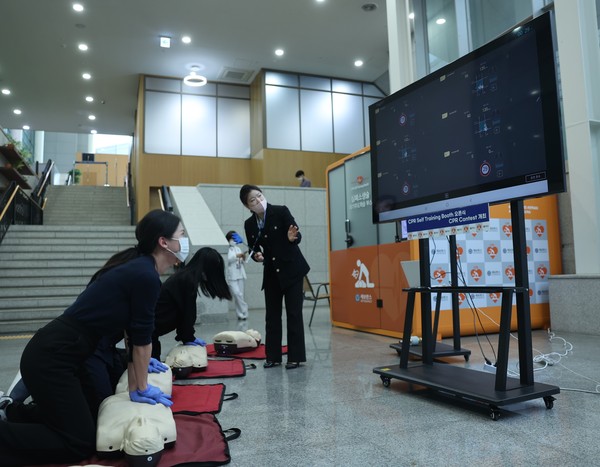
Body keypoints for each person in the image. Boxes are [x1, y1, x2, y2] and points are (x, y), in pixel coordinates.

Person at [0, 209, 184, 466]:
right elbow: (142, 338)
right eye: (181, 235)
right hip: (53, 357)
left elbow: (133, 335)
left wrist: (136, 384)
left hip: (61, 352)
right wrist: (140, 388)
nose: (183, 241)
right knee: (78, 442)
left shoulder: (141, 269)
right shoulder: (145, 275)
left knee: (87, 420)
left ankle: (11, 412)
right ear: (163, 242)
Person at [240, 184, 310, 370]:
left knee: (294, 314)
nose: (258, 201)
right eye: (253, 200)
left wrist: (291, 237)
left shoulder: (280, 211)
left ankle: (295, 357)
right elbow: (254, 248)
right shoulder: (249, 224)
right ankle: (273, 357)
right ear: (248, 206)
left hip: (292, 269)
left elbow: (298, 234)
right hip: (271, 272)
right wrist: (256, 255)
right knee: (272, 316)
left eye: (259, 196)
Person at [152, 247, 232, 359]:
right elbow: (188, 313)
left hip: (151, 332)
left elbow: (184, 313)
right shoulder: (187, 280)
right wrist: (188, 337)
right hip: (149, 333)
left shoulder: (185, 277)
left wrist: (187, 336)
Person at [225, 230, 249, 321]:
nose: (234, 241)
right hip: (232, 275)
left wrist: (243, 257)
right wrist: (237, 256)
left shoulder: (238, 248)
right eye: (232, 239)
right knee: (236, 293)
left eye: (235, 239)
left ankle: (241, 314)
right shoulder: (227, 249)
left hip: (240, 274)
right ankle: (244, 308)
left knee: (241, 295)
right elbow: (228, 260)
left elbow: (243, 261)